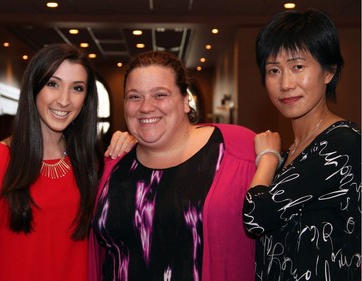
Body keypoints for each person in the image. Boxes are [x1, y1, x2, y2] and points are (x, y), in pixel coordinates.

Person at [89, 50, 257, 281]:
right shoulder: (112, 165)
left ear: (186, 100)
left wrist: (270, 156)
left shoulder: (238, 152)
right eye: (134, 97)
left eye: (160, 95)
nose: (146, 107)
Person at [242, 9, 361, 281]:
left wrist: (268, 157)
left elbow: (256, 215)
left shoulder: (341, 144)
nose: (285, 84)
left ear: (329, 71)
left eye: (298, 67)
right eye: (274, 70)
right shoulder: (295, 153)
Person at [0, 43, 106, 281]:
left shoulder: (91, 165)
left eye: (77, 88)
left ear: (86, 98)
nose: (64, 100)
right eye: (53, 84)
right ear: (34, 87)